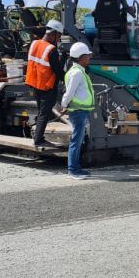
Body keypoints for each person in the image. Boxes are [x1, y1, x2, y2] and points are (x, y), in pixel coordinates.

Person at [25, 20, 66, 149]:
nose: (58, 39)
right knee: (45, 113)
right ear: (53, 33)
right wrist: (68, 80)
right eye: (58, 36)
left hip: (35, 83)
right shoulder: (51, 49)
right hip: (47, 86)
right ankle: (39, 140)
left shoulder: (34, 44)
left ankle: (38, 136)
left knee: (41, 112)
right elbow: (57, 70)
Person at [61, 41, 94, 180]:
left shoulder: (78, 71)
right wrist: (64, 104)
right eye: (87, 56)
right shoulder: (76, 73)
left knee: (78, 140)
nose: (89, 58)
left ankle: (76, 168)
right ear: (80, 57)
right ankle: (73, 170)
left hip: (81, 110)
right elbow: (69, 93)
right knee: (76, 140)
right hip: (78, 111)